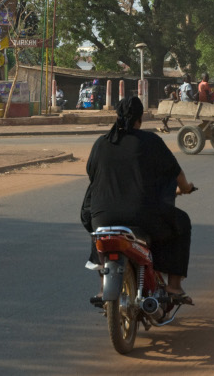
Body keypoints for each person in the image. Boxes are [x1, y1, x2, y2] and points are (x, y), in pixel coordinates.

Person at [80, 96, 196, 302]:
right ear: (140, 118)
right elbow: (177, 174)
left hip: (103, 217)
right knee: (182, 222)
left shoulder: (101, 143)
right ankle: (175, 287)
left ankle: (102, 288)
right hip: (143, 217)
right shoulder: (151, 141)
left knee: (98, 232)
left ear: (117, 115)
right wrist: (186, 189)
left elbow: (93, 175)